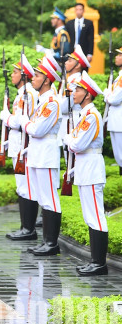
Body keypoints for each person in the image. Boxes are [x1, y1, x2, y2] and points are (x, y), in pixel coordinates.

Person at [64, 71, 108, 275]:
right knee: (90, 216)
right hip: (85, 168)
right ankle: (95, 261)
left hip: (91, 167)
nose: (74, 93)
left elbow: (78, 144)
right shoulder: (85, 115)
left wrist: (68, 140)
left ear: (88, 94)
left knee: (96, 216)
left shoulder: (91, 117)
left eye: (79, 90)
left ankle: (99, 263)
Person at [21, 54, 63, 256]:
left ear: (47, 80)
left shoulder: (52, 102)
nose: (33, 79)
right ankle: (46, 241)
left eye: (37, 76)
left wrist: (24, 123)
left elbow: (37, 130)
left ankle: (52, 243)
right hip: (37, 153)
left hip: (46, 154)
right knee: (43, 199)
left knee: (50, 199)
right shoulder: (42, 101)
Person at [1, 54, 38, 240]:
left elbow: (19, 122)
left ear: (24, 76)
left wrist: (6, 117)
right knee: (21, 186)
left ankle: (28, 229)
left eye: (15, 72)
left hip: (24, 145)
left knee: (26, 187)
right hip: (17, 144)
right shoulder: (22, 94)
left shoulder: (28, 94)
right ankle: (25, 227)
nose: (12, 75)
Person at [104, 45, 122, 173]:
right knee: (119, 157)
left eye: (120, 55)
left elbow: (114, 99)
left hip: (119, 121)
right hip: (116, 121)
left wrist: (106, 94)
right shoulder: (119, 77)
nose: (117, 57)